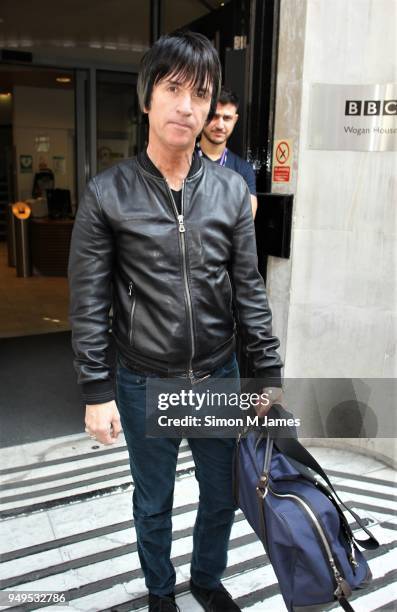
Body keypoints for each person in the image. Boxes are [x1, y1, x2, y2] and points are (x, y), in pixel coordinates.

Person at [68, 31, 283, 612]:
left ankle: (206, 582)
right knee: (153, 499)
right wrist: (96, 389)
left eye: (201, 93)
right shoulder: (107, 194)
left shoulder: (233, 191)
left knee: (221, 496)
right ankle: (161, 593)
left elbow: (248, 288)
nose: (187, 106)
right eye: (173, 89)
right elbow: (88, 300)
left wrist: (266, 373)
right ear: (147, 98)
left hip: (217, 375)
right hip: (143, 380)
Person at [198, 88, 258, 218]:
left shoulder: (244, 170)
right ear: (203, 116)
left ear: (235, 120)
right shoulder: (183, 160)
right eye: (214, 116)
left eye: (227, 118)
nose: (220, 125)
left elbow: (246, 220)